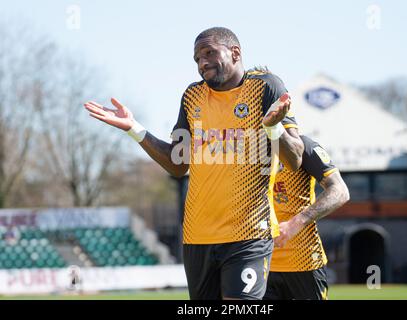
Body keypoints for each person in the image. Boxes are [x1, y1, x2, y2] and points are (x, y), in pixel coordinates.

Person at [83, 27, 304, 300]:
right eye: (197, 58)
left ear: (235, 53)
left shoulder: (266, 86)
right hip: (197, 237)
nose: (202, 63)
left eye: (209, 53)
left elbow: (295, 160)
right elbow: (178, 165)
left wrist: (273, 129)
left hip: (249, 233)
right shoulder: (192, 97)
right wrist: (134, 128)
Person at [264, 135, 350, 300]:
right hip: (256, 261)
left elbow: (340, 191)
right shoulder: (241, 148)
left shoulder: (303, 147)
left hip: (303, 262)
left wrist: (296, 223)